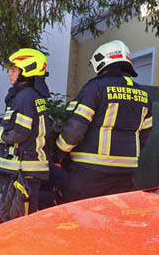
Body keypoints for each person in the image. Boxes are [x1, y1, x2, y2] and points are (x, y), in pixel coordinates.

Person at [54, 40, 153, 202]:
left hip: (90, 173)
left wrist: (58, 153)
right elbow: (145, 136)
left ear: (102, 62)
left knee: (77, 216)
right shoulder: (144, 95)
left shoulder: (95, 88)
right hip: (126, 171)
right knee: (114, 215)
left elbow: (75, 129)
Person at [0, 48, 51, 219]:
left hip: (24, 170)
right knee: (9, 215)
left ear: (27, 71)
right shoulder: (32, 96)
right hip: (25, 170)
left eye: (13, 70)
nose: (9, 74)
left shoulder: (23, 98)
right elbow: (21, 125)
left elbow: (18, 134)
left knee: (18, 220)